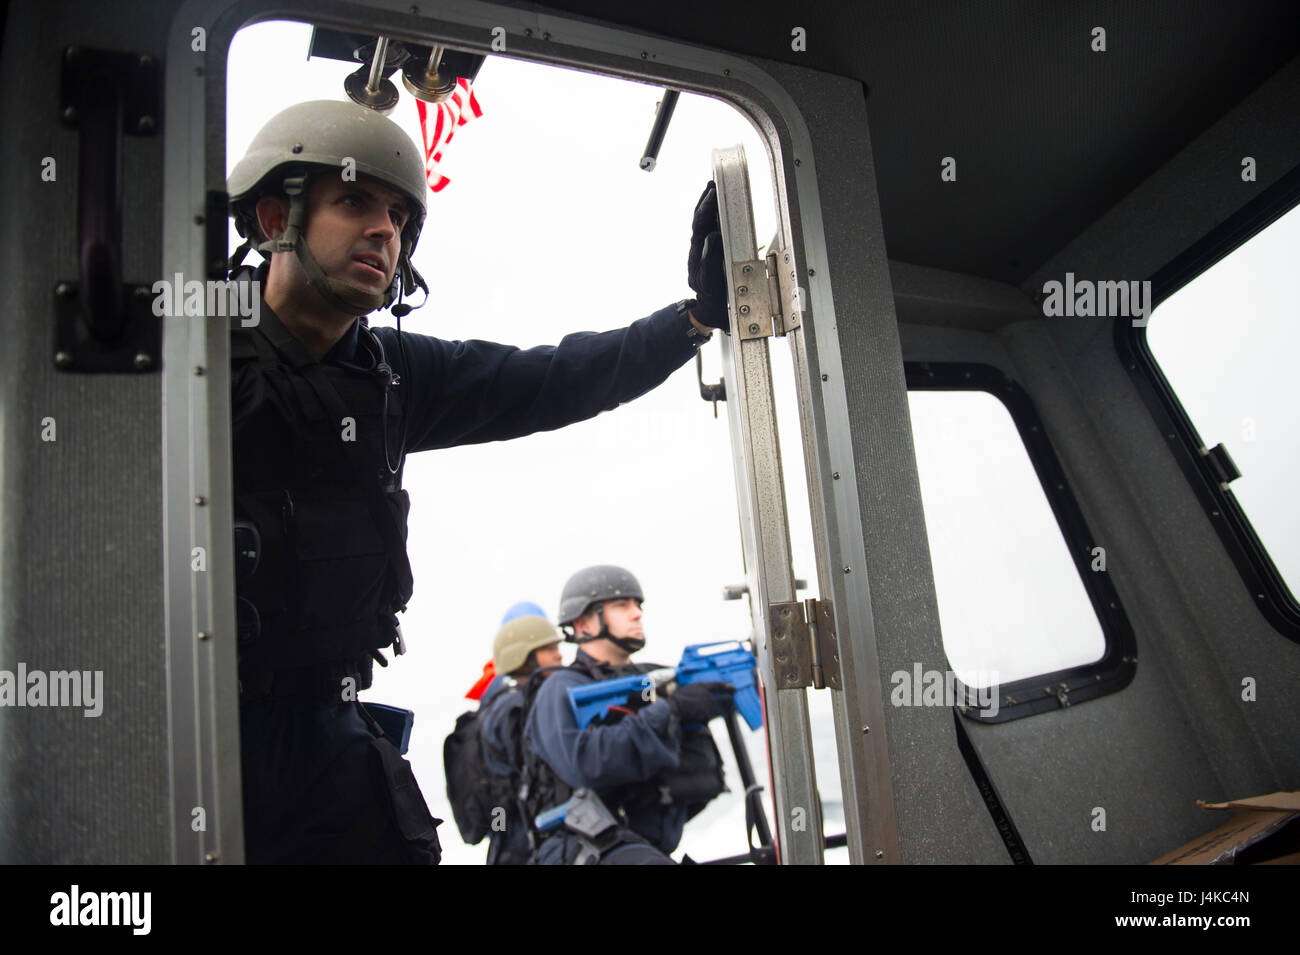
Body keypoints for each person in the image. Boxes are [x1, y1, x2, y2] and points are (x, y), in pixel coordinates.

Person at [225, 99, 729, 865]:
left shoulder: (396, 376)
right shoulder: (191, 356)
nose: (384, 231)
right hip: (203, 727)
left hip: (329, 735)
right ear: (273, 218)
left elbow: (553, 377)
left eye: (399, 216)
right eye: (355, 201)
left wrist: (696, 318)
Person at [521, 565, 735, 865]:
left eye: (638, 605)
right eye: (622, 606)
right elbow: (585, 762)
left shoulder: (652, 679)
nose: (636, 613)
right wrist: (671, 711)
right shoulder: (560, 689)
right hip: (580, 846)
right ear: (583, 624)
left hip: (639, 846)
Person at [477, 611, 563, 864]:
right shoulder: (515, 705)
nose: (559, 654)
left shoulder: (501, 700)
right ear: (524, 657)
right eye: (549, 648)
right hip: (519, 828)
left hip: (509, 822)